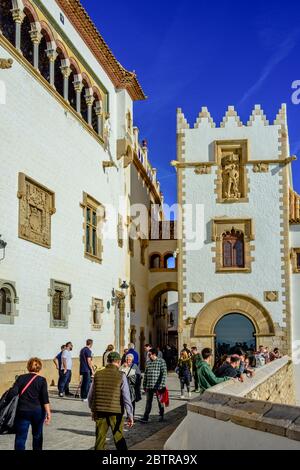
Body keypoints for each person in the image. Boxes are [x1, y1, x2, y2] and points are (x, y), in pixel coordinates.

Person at [88, 352, 133, 451]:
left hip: (99, 411)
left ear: (107, 361)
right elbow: (126, 397)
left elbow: (91, 395)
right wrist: (130, 415)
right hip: (116, 412)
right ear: (119, 362)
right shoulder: (121, 375)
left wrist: (92, 409)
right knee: (118, 437)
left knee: (100, 439)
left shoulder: (97, 374)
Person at [7, 358, 51, 450]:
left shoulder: (21, 378)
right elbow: (45, 399)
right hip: (37, 412)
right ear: (39, 367)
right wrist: (48, 413)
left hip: (23, 411)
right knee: (37, 435)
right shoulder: (42, 380)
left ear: (28, 367)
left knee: (20, 436)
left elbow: (12, 393)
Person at [140, 348, 167, 423]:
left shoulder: (161, 361)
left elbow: (164, 374)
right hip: (149, 386)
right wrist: (144, 385)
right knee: (148, 401)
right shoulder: (148, 362)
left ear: (154, 354)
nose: (148, 355)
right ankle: (146, 416)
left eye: (149, 354)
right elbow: (145, 374)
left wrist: (162, 385)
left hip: (158, 386)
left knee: (160, 402)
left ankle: (161, 415)